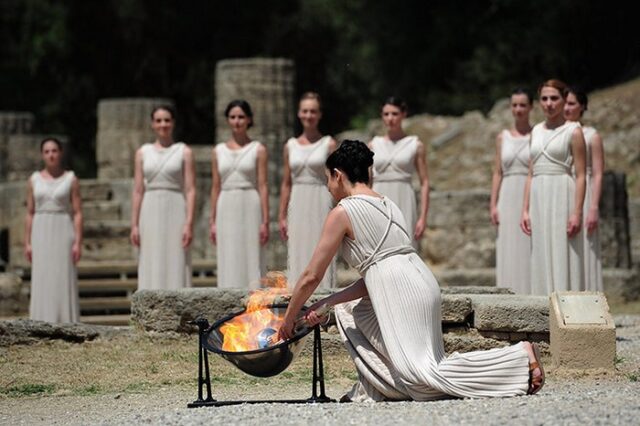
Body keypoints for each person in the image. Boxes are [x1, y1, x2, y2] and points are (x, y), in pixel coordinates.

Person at [279, 140, 544, 402]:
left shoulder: (342, 212)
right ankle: (374, 386)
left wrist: (289, 318)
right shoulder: (388, 204)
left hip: (400, 290)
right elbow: (373, 276)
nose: (328, 187)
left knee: (424, 379)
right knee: (352, 314)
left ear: (338, 175)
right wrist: (328, 302)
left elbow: (312, 275)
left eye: (328, 179)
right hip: (420, 280)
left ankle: (518, 356)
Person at [520, 79, 587, 294]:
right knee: (540, 251)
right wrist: (525, 209)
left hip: (562, 192)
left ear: (563, 100)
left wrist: (577, 212)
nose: (549, 103)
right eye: (544, 99)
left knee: (563, 251)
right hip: (539, 194)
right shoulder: (536, 131)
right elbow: (531, 172)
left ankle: (569, 308)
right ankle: (543, 309)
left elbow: (581, 175)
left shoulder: (574, 131)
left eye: (554, 98)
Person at [130, 105, 195, 290]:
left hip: (175, 205)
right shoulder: (142, 153)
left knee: (175, 256)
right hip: (149, 208)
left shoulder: (184, 151)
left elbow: (190, 189)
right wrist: (134, 224)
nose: (163, 124)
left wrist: (189, 223)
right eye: (158, 120)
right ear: (152, 124)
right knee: (151, 256)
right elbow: (137, 190)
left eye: (167, 120)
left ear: (173, 123)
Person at [278, 92, 337, 289]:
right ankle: (298, 301)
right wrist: (282, 216)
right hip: (298, 200)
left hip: (320, 199)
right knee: (299, 251)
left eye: (313, 111)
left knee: (320, 249)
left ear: (319, 114)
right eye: (305, 111)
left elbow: (335, 180)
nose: (309, 115)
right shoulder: (290, 146)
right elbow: (286, 183)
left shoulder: (328, 144)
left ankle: (323, 302)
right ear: (299, 113)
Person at [210, 100, 268, 288]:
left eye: (241, 117)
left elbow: (263, 185)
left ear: (249, 119)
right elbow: (216, 187)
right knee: (228, 253)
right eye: (233, 117)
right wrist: (212, 221)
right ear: (228, 120)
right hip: (226, 203)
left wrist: (265, 221)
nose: (237, 121)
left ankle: (254, 302)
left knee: (251, 253)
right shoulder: (218, 151)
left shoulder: (258, 149)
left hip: (250, 202)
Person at [25, 138, 82, 322]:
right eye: (47, 151)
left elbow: (78, 212)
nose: (51, 155)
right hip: (40, 230)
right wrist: (27, 242)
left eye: (54, 151)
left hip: (63, 228)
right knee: (43, 274)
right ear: (42, 154)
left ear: (60, 153)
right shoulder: (33, 180)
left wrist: (78, 242)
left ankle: (65, 320)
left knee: (62, 274)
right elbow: (30, 212)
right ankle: (41, 320)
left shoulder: (71, 179)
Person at [369, 97, 429, 248]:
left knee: (405, 246)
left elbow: (425, 182)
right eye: (386, 114)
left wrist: (423, 217)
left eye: (395, 114)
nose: (390, 118)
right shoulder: (373, 145)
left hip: (404, 199)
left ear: (403, 114)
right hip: (378, 199)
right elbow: (367, 182)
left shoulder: (415, 145)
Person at [489, 89, 533, 293]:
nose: (518, 109)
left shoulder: (537, 135)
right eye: (515, 105)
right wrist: (493, 204)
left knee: (528, 244)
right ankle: (507, 293)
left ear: (531, 107)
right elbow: (497, 172)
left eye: (523, 105)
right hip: (507, 194)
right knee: (508, 246)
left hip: (530, 193)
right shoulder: (502, 137)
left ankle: (530, 291)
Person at [564, 87, 604, 292]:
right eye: (565, 103)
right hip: (564, 188)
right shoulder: (558, 133)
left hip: (585, 191)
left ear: (582, 107)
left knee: (586, 248)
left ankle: (590, 296)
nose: (566, 107)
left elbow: (597, 173)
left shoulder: (591, 136)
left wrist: (594, 207)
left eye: (572, 103)